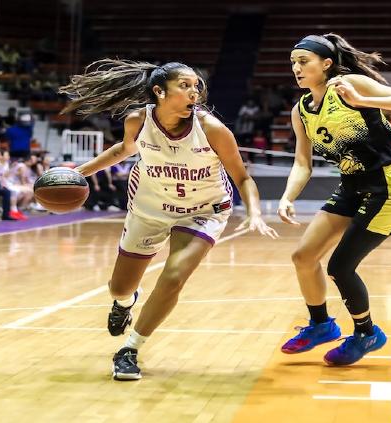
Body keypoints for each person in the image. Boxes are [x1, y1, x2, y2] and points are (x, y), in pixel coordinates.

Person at [59, 59, 278, 381]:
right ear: (159, 91)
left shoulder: (212, 129)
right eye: (185, 86)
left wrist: (255, 212)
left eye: (197, 87)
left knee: (174, 276)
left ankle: (130, 349)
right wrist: (77, 173)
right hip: (151, 208)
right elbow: (122, 150)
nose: (194, 93)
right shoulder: (138, 121)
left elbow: (243, 178)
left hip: (204, 210)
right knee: (119, 287)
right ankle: (125, 303)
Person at [278, 34, 391, 366]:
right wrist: (287, 196)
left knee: (341, 267)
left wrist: (362, 100)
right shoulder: (301, 110)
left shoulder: (350, 84)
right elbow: (302, 163)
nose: (296, 68)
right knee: (303, 257)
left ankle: (366, 333)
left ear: (326, 64)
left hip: (390, 187)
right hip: (351, 186)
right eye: (293, 62)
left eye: (303, 61)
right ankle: (321, 325)